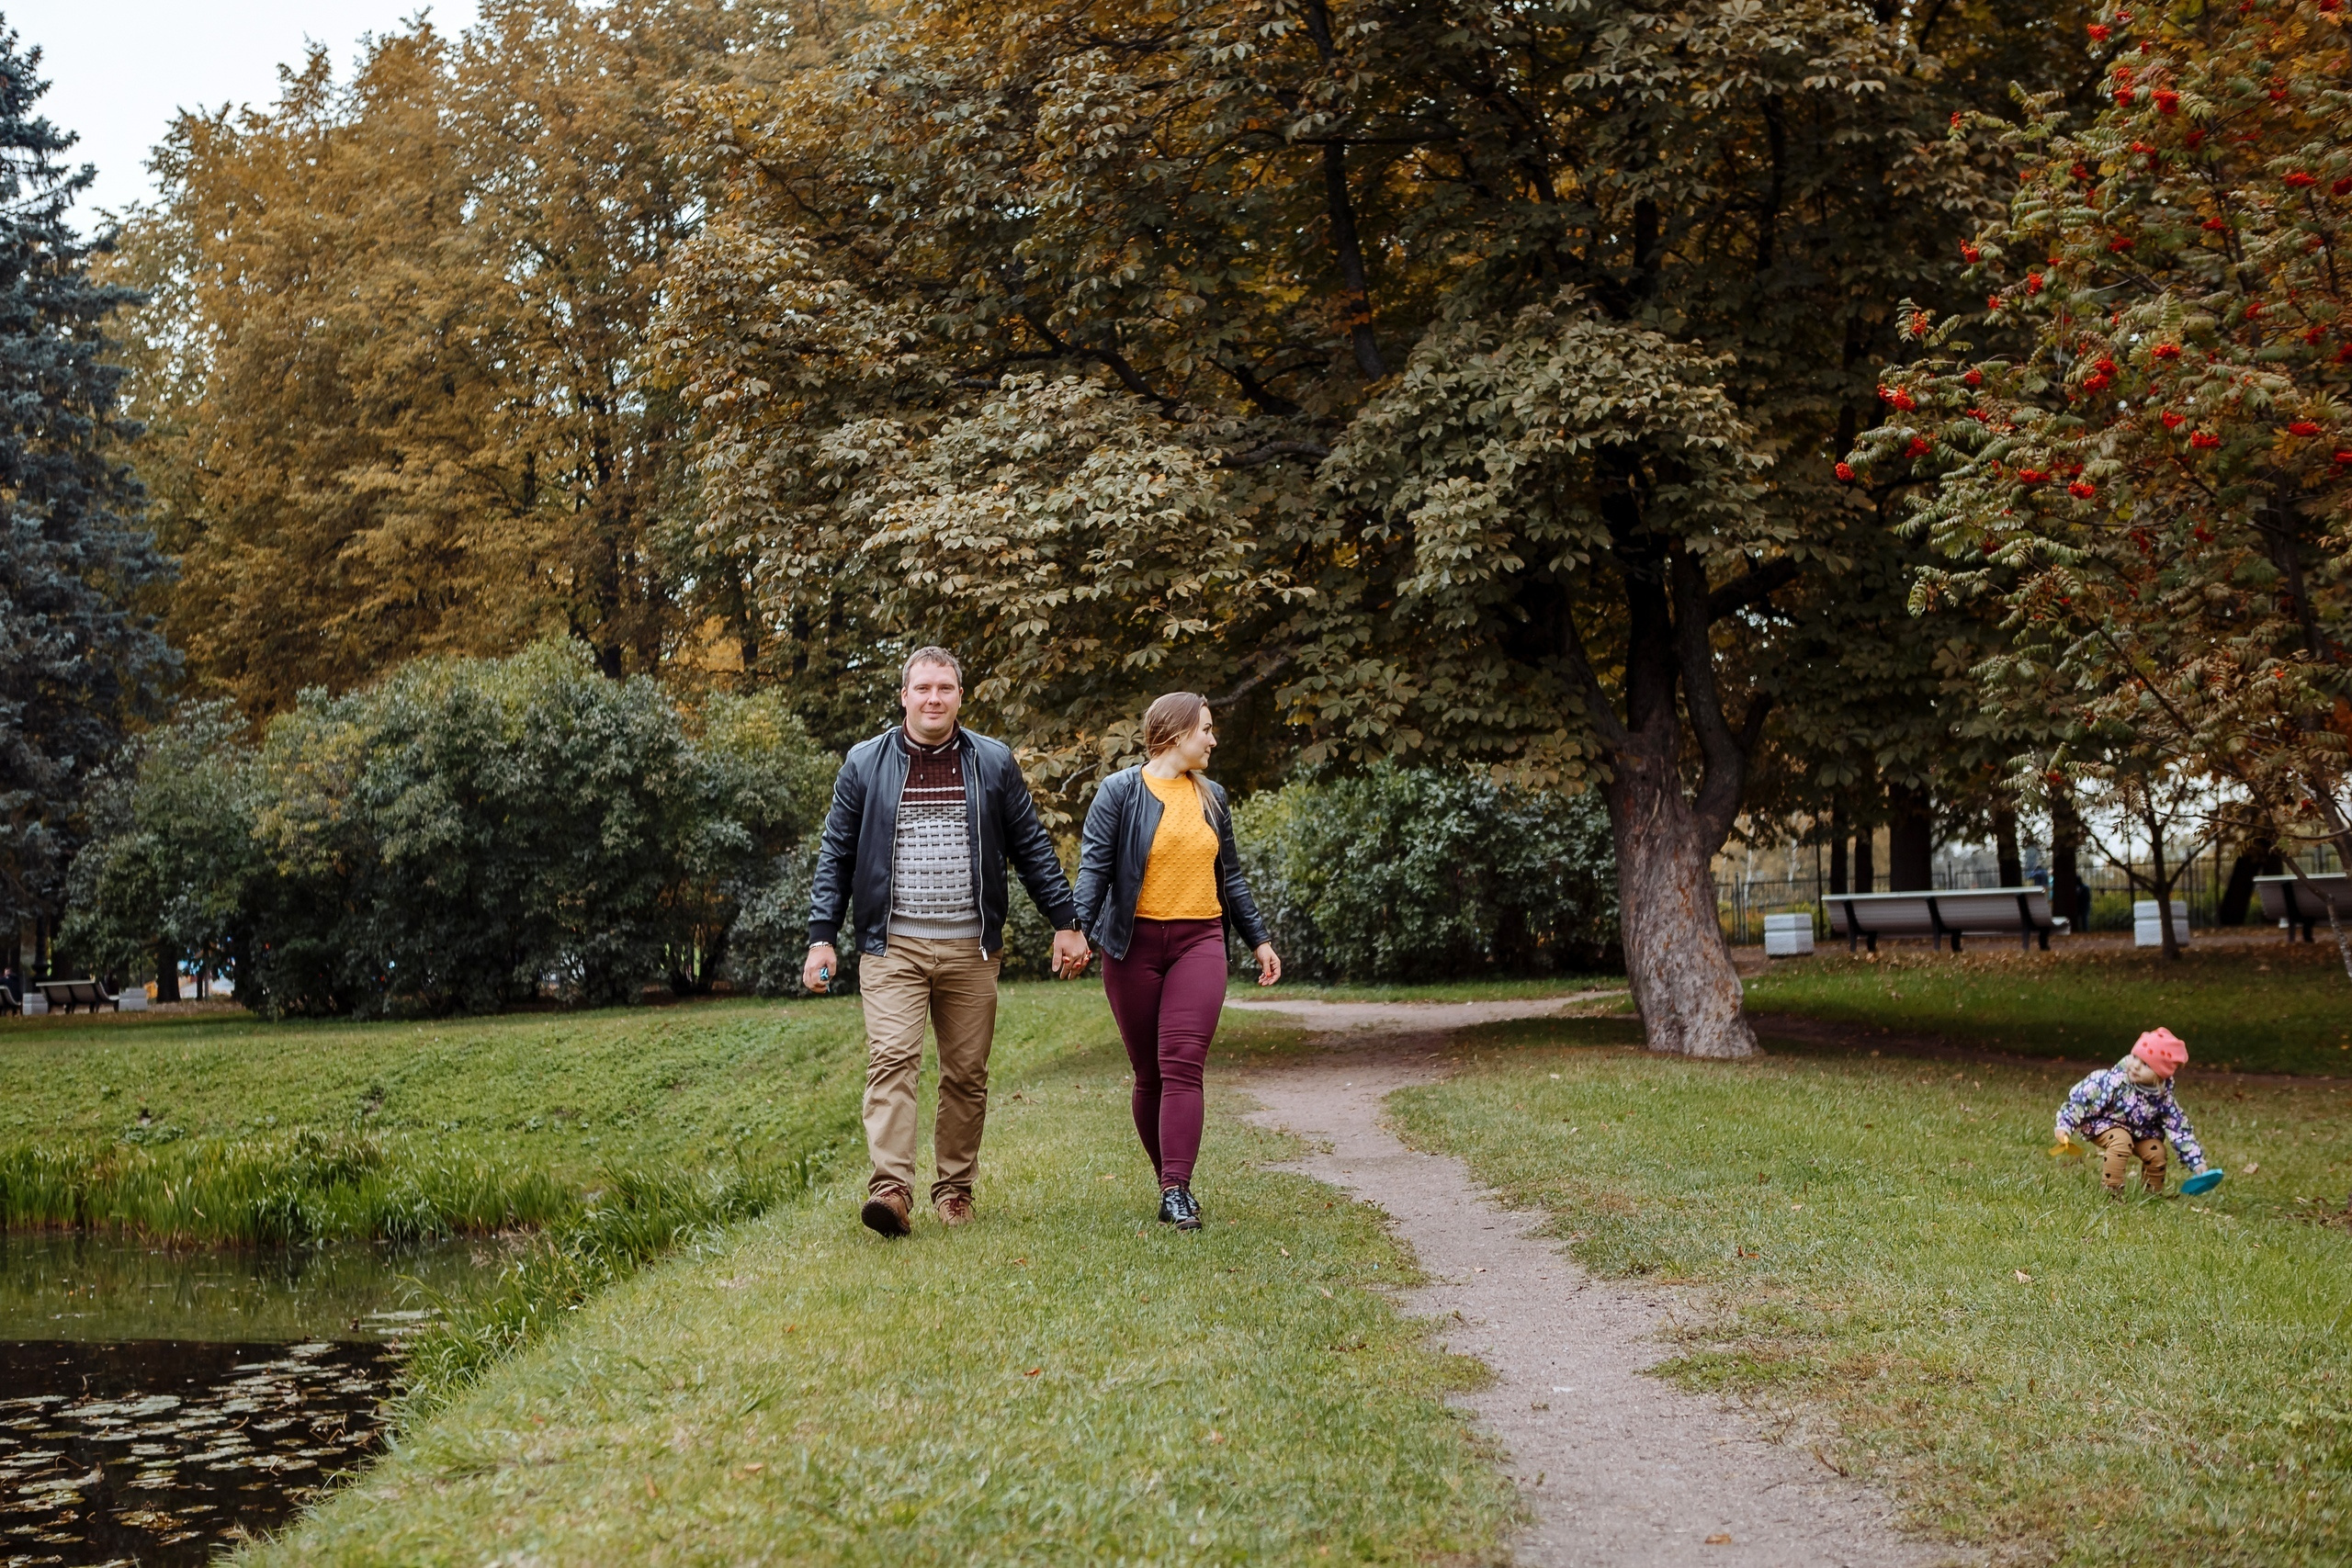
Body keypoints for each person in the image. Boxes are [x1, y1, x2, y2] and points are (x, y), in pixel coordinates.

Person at [804, 647, 1092, 1237]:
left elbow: (1033, 848)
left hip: (971, 946)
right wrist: (822, 938)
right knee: (892, 1061)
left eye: (945, 688)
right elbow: (837, 855)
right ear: (903, 696)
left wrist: (1065, 921)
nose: (933, 699)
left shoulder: (992, 762)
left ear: (960, 696)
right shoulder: (864, 764)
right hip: (893, 946)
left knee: (966, 1074)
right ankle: (891, 1193)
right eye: (922, 689)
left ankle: (955, 1192)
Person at [1073, 692, 1279, 1231]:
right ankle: (1169, 1180)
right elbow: (1094, 870)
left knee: (1183, 1064)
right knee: (1149, 1073)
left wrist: (1258, 938)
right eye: (1206, 729)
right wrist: (1076, 932)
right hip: (1132, 946)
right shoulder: (1119, 793)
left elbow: (1230, 876)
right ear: (1176, 732)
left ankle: (1176, 1190)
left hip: (1200, 941)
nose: (1213, 740)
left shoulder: (1213, 798)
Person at [2052, 1027, 2212, 1198]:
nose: (2135, 1066)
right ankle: (2111, 1193)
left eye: (2146, 1064)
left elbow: (2180, 1131)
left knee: (2156, 1150)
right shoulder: (2112, 1081)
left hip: (2139, 1134)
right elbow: (2081, 1101)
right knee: (2121, 1141)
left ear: (2160, 1074)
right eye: (2135, 1057)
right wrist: (2065, 1124)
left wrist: (2197, 1163)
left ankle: (2151, 1196)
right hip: (2103, 1125)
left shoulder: (2164, 1100)